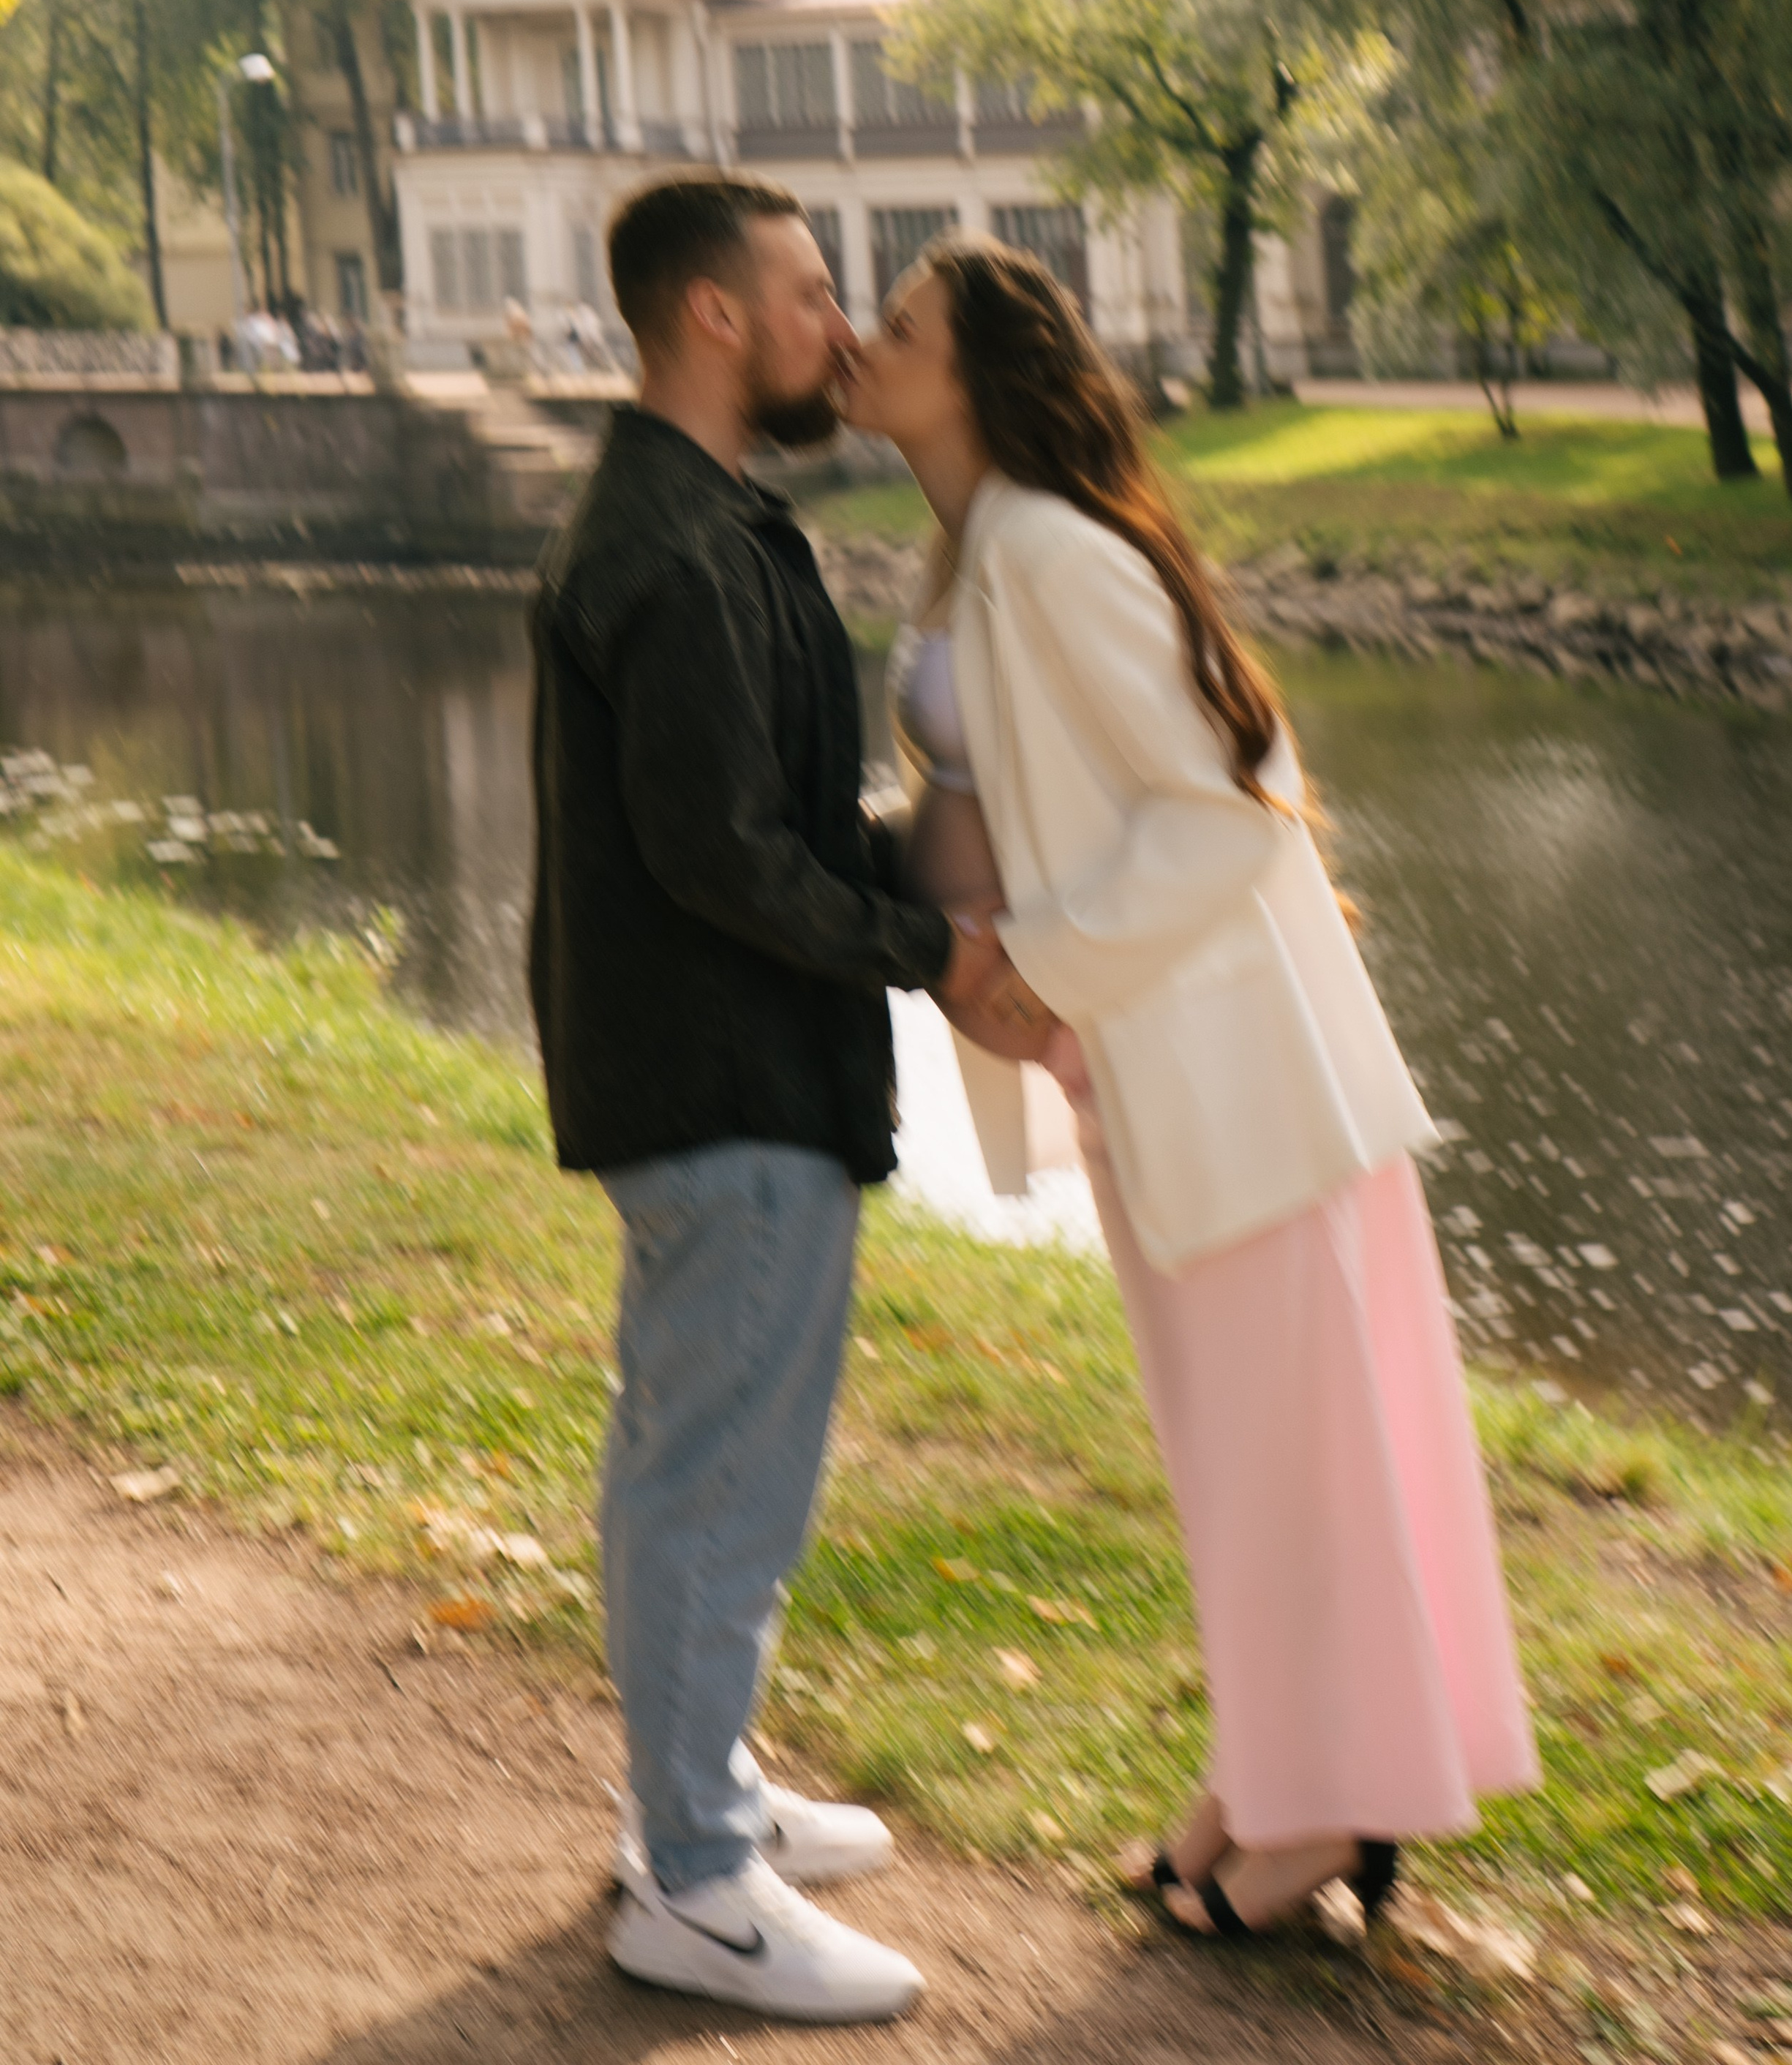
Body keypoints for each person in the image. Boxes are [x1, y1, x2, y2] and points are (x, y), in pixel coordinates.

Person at [841, 234, 1538, 1944]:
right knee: (1241, 1463)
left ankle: (1328, 1805)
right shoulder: (975, 555)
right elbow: (1005, 803)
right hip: (1147, 1072)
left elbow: (1228, 809)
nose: (866, 340)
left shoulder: (1050, 551)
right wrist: (972, 964)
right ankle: (1280, 1769)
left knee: (1292, 1463)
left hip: (1242, 1085)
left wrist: (1043, 961)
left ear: (979, 372)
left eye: (902, 325)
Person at [527, 172, 1038, 2024]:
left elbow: (773, 828)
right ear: (718, 318)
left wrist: (945, 869)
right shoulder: (667, 550)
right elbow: (722, 860)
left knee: (714, 1459)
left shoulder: (708, 522)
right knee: (711, 1479)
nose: (841, 326)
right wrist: (937, 957)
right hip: (721, 1080)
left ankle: (698, 1795)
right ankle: (692, 1880)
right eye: (815, 291)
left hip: (733, 1071)